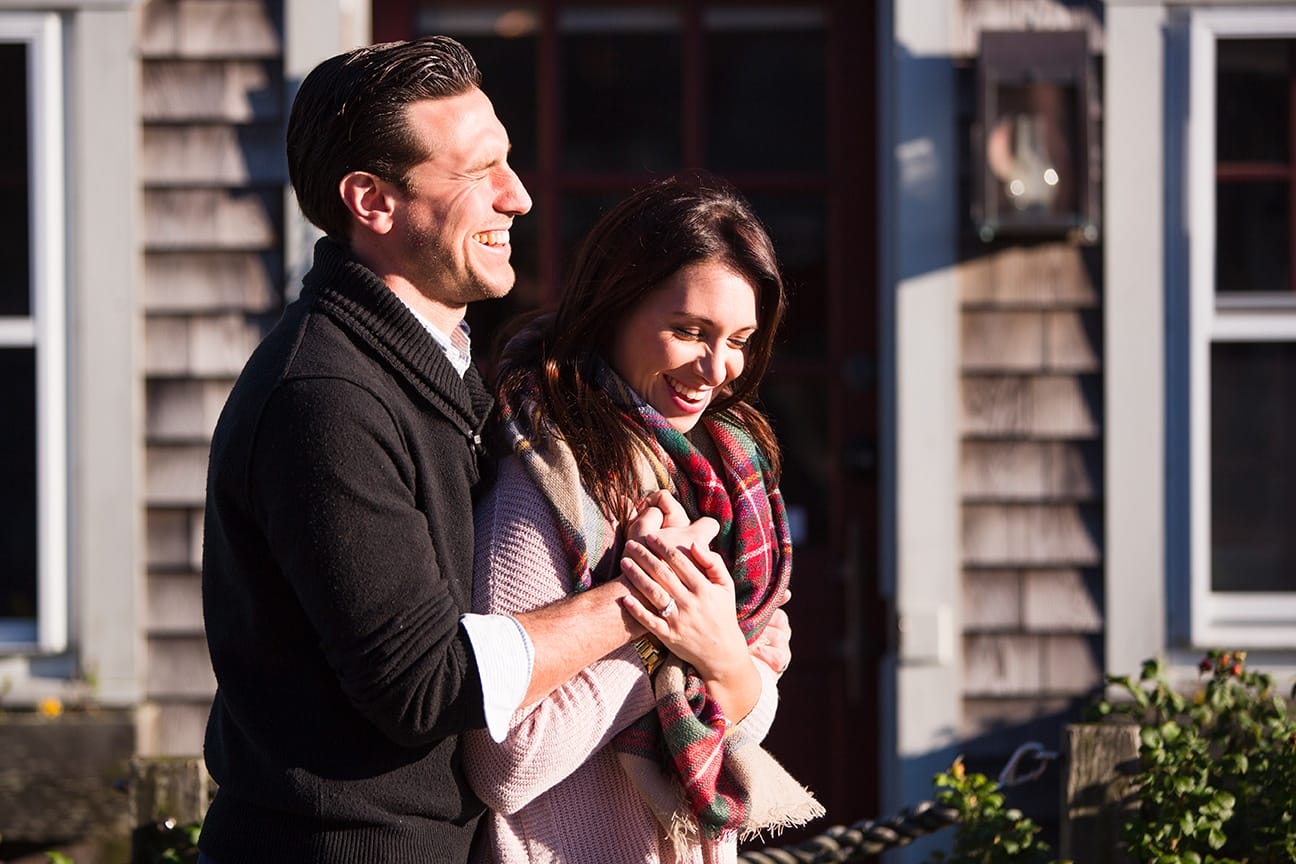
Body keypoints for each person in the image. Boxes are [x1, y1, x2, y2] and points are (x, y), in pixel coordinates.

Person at [197, 37, 725, 864]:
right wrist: (648, 594)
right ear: (372, 201)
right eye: (479, 173)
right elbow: (427, 682)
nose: (516, 197)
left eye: (507, 162)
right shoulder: (325, 398)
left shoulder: (440, 369)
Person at [464, 173, 824, 864]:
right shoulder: (546, 478)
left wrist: (718, 651)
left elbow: (749, 709)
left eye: (741, 339)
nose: (718, 368)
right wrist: (666, 630)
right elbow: (508, 764)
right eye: (690, 331)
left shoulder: (721, 476)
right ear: (613, 308)